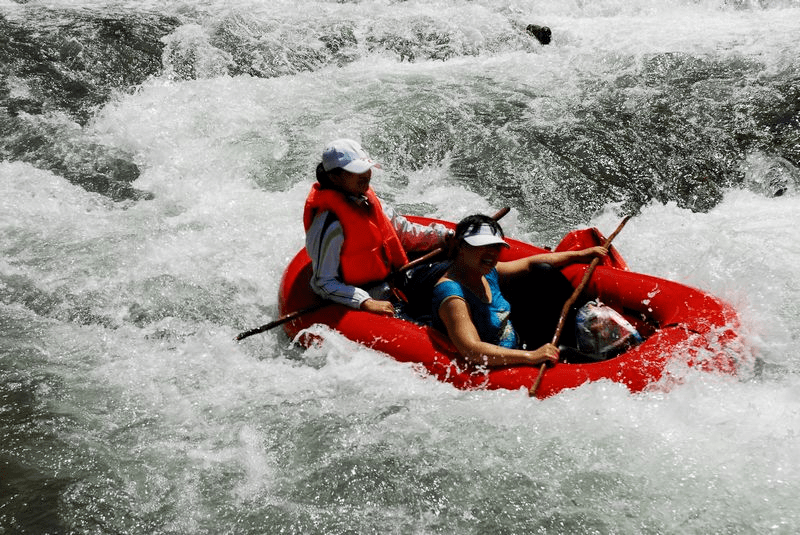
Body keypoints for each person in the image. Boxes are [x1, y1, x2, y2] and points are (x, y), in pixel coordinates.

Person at [432, 214, 608, 367]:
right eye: (482, 246)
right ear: (461, 246)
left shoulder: (486, 272)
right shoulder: (451, 293)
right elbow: (471, 349)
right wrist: (531, 356)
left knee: (543, 271)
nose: (491, 253)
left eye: (495, 247)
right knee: (563, 353)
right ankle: (600, 361)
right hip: (502, 362)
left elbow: (531, 263)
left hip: (518, 343)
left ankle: (590, 327)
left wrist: (579, 255)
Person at [304, 138, 452, 316]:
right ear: (334, 178)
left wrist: (444, 236)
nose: (365, 174)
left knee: (458, 269)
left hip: (394, 280)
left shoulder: (366, 199)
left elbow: (403, 233)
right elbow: (323, 282)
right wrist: (364, 301)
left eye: (366, 168)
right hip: (369, 293)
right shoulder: (330, 223)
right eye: (355, 171)